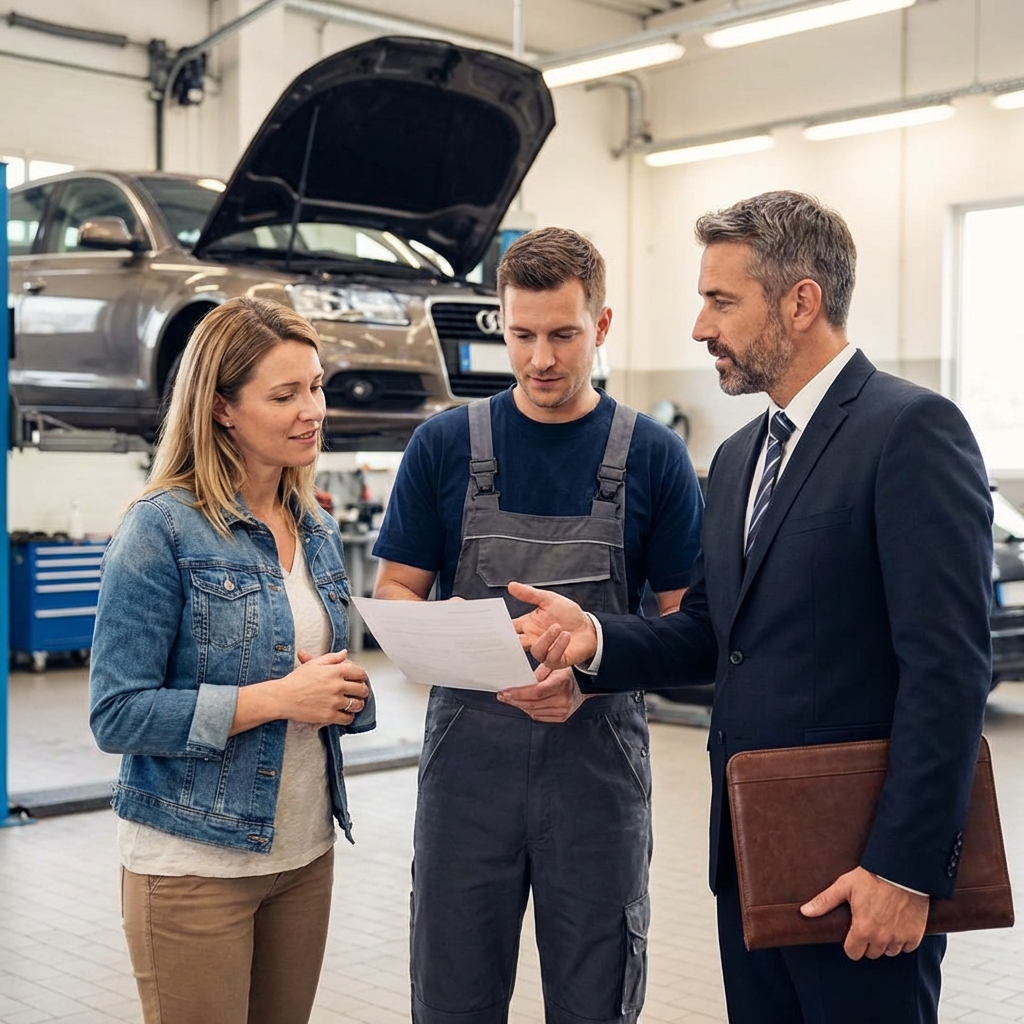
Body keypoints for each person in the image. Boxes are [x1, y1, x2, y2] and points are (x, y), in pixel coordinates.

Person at [510, 192, 993, 1024]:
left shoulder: (910, 430)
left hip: (863, 868)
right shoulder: (739, 457)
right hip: (755, 860)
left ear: (801, 302)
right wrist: (594, 640)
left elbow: (947, 671)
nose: (701, 327)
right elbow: (713, 633)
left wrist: (904, 869)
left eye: (721, 301)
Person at [371, 226, 704, 1024]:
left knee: (595, 1001)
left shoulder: (654, 457)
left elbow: (690, 629)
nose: (541, 359)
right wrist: (447, 625)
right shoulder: (443, 447)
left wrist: (589, 678)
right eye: (521, 336)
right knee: (453, 997)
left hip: (597, 775)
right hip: (466, 777)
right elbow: (395, 593)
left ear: (603, 324)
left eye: (563, 335)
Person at [89, 296, 375, 1024]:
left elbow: (315, 679)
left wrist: (345, 694)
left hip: (303, 855)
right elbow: (117, 714)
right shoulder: (160, 529)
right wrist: (279, 698)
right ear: (221, 408)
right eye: (284, 395)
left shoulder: (314, 527)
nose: (312, 410)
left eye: (316, 386)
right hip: (194, 863)